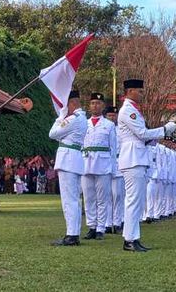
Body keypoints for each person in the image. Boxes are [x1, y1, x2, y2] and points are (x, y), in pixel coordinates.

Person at [117, 79, 176, 252]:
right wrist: (164, 130)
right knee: (133, 201)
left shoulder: (134, 111)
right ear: (130, 91)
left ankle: (133, 237)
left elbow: (144, 138)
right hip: (133, 159)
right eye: (139, 91)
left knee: (137, 201)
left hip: (137, 157)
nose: (142, 94)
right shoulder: (128, 111)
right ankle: (129, 239)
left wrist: (159, 134)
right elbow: (142, 134)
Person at [49, 90, 87, 246]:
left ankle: (71, 235)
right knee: (74, 200)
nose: (64, 109)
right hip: (74, 159)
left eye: (65, 105)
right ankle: (74, 233)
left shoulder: (73, 119)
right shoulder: (82, 118)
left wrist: (59, 117)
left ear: (72, 103)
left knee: (69, 200)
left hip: (68, 160)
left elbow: (52, 133)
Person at [81, 92, 116, 240]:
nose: (95, 105)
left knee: (103, 198)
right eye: (93, 103)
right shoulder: (83, 123)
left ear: (103, 106)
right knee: (89, 198)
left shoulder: (109, 125)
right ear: (89, 106)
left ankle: (101, 228)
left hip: (103, 164)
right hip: (86, 163)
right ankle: (91, 226)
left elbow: (114, 149)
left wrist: (113, 169)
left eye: (98, 103)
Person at [105, 106, 125, 234]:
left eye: (114, 115)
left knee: (118, 195)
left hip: (118, 163)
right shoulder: (104, 127)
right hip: (105, 162)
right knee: (106, 196)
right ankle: (107, 223)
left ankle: (117, 222)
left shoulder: (121, 130)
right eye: (110, 115)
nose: (112, 118)